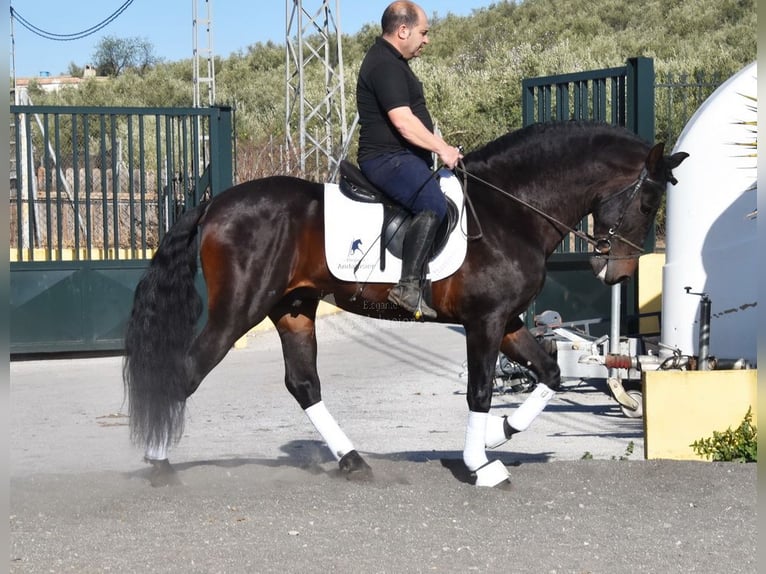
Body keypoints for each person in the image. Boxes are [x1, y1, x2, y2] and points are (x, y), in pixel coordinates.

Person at [356, 0, 463, 320]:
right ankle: (408, 287)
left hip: (401, 157)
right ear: (403, 30)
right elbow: (402, 121)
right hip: (387, 158)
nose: (426, 39)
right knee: (432, 203)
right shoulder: (384, 65)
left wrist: (441, 145)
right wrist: (442, 149)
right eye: (423, 32)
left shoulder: (393, 62)